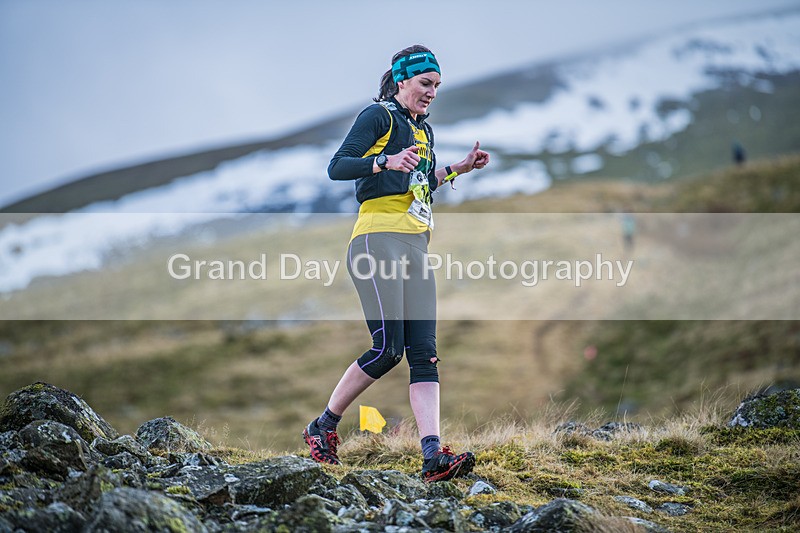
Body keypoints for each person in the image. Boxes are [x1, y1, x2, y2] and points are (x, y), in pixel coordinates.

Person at [303, 45, 490, 482]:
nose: (432, 94)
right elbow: (336, 167)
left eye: (438, 87)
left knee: (425, 353)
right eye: (426, 84)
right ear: (403, 80)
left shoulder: (425, 131)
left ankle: (432, 457)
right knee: (388, 349)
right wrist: (383, 159)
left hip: (415, 248)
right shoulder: (379, 117)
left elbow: (419, 186)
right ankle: (322, 427)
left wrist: (458, 169)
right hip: (375, 242)